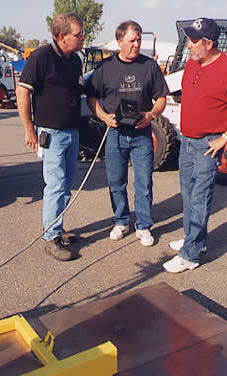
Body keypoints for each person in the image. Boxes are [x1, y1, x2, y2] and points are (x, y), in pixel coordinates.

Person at [163, 18, 227, 273]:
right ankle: (195, 239)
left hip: (208, 145)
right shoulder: (193, 65)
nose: (190, 45)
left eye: (194, 41)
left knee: (200, 197)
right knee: (189, 195)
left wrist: (224, 138)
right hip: (187, 142)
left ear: (209, 43)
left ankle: (190, 255)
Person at [86, 21, 168, 246]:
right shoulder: (105, 68)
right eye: (132, 40)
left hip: (142, 134)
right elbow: (91, 97)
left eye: (139, 40)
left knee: (144, 181)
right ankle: (121, 221)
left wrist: (151, 115)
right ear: (119, 41)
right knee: (116, 182)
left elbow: (162, 98)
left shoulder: (150, 66)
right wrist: (103, 117)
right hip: (115, 134)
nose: (136, 44)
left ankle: (143, 225)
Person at [16, 14, 85, 261]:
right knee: (55, 185)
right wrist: (29, 129)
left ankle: (58, 227)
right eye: (78, 34)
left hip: (72, 132)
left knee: (66, 186)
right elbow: (22, 92)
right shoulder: (41, 57)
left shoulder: (75, 60)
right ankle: (50, 237)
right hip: (51, 134)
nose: (82, 38)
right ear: (61, 36)